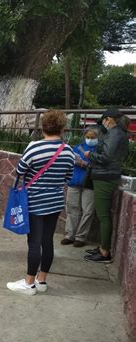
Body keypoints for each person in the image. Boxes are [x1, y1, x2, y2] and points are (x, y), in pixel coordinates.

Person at [7, 110, 74, 295]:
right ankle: (41, 280)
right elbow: (67, 177)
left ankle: (28, 284)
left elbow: (19, 171)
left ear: (43, 127)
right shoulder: (68, 151)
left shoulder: (34, 147)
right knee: (48, 240)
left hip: (35, 201)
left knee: (34, 242)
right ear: (62, 128)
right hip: (55, 202)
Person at [83, 108, 129, 263]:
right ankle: (103, 246)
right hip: (108, 175)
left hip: (105, 177)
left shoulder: (115, 134)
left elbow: (106, 157)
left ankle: (104, 252)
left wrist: (91, 155)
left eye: (103, 121)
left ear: (108, 119)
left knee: (103, 216)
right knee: (102, 215)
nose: (102, 124)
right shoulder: (120, 133)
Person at [60, 127, 99, 247]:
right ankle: (69, 235)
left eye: (93, 137)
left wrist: (87, 164)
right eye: (88, 137)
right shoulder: (77, 147)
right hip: (75, 181)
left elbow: (101, 164)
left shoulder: (100, 149)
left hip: (90, 183)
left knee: (87, 211)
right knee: (72, 208)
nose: (90, 140)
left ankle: (81, 237)